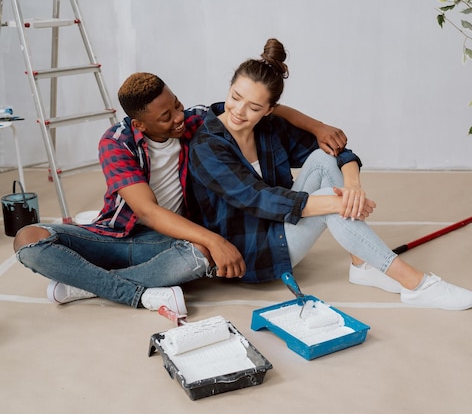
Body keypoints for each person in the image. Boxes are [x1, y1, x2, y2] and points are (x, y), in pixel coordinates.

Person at [13, 72, 349, 315]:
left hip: (172, 242)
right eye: (166, 116)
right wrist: (219, 241)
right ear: (140, 125)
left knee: (201, 252)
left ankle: (83, 285)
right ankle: (139, 295)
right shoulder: (116, 142)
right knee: (28, 238)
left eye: (176, 105)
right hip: (116, 235)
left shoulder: (194, 123)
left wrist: (318, 127)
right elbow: (147, 212)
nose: (179, 117)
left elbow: (266, 107)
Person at [188, 39, 472, 310]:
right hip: (251, 253)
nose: (239, 111)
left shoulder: (270, 128)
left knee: (320, 159)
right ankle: (416, 284)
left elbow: (337, 152)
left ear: (269, 110)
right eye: (235, 97)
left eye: (254, 107)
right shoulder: (208, 145)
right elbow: (258, 198)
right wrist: (337, 204)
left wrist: (353, 190)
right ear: (228, 88)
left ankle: (361, 265)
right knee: (329, 199)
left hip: (276, 228)